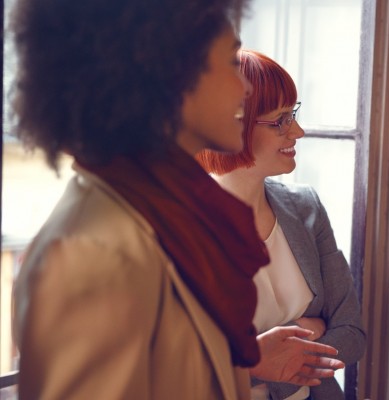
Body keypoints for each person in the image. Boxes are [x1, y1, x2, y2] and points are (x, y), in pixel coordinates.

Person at [9, 1, 342, 399]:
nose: (246, 87)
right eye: (228, 63)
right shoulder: (89, 253)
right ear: (163, 77)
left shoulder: (170, 213)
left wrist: (245, 363)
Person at [196, 50, 366, 400]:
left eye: (294, 115)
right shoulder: (173, 227)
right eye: (281, 121)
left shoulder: (306, 207)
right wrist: (273, 353)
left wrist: (273, 364)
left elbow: (351, 334)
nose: (298, 131)